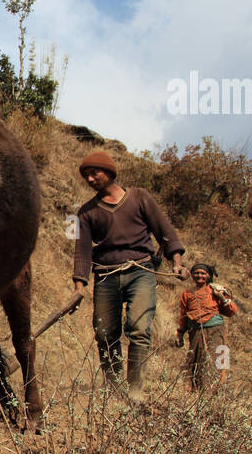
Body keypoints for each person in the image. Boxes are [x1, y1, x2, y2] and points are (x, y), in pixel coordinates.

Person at [71, 150, 188, 400]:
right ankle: (113, 389)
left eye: (95, 173)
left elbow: (164, 230)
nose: (90, 180)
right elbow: (81, 250)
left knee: (138, 329)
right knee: (104, 333)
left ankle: (135, 390)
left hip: (141, 272)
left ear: (110, 172)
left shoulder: (140, 197)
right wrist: (79, 286)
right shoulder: (86, 212)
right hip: (105, 275)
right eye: (86, 176)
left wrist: (176, 261)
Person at [176, 262, 239, 390]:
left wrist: (221, 296)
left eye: (203, 273)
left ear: (208, 275)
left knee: (217, 360)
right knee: (195, 361)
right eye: (196, 273)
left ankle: (214, 392)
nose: (200, 276)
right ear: (192, 275)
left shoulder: (216, 290)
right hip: (195, 332)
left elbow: (233, 311)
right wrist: (180, 334)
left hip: (215, 330)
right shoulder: (186, 294)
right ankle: (197, 393)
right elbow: (183, 315)